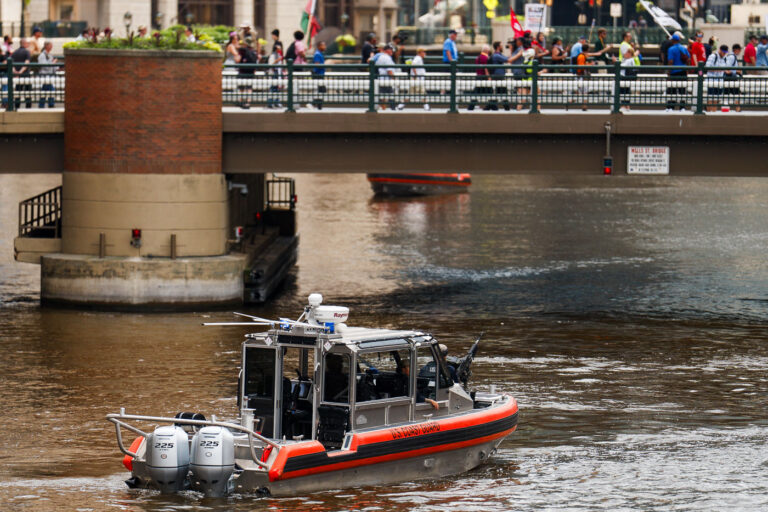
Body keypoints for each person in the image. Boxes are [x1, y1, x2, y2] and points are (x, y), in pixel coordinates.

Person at [705, 44, 734, 112]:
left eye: (725, 53)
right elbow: (707, 67)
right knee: (710, 98)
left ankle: (714, 113)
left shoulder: (725, 58)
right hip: (711, 80)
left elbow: (726, 68)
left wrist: (727, 71)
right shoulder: (713, 56)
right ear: (720, 50)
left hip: (720, 81)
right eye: (723, 52)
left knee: (716, 99)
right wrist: (719, 70)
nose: (724, 54)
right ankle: (709, 113)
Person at [666, 33, 690, 111]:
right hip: (683, 71)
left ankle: (671, 107)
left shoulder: (671, 49)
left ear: (673, 40)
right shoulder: (684, 48)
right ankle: (682, 107)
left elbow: (670, 61)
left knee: (672, 89)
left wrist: (668, 73)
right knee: (682, 90)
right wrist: (686, 69)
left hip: (674, 72)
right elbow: (688, 60)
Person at [10, 39, 32, 109]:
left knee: (18, 91)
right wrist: (21, 72)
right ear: (24, 43)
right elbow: (27, 62)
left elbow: (11, 63)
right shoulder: (27, 52)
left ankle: (17, 106)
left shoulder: (15, 52)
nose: (28, 44)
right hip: (25, 75)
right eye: (27, 43)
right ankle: (28, 106)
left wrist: (16, 72)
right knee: (28, 91)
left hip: (17, 76)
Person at [37, 41, 57, 108]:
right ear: (46, 46)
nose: (51, 47)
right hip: (45, 75)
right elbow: (44, 66)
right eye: (50, 45)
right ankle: (50, 104)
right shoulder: (42, 55)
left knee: (44, 91)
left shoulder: (50, 55)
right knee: (51, 90)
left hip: (49, 76)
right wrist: (53, 63)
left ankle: (41, 104)